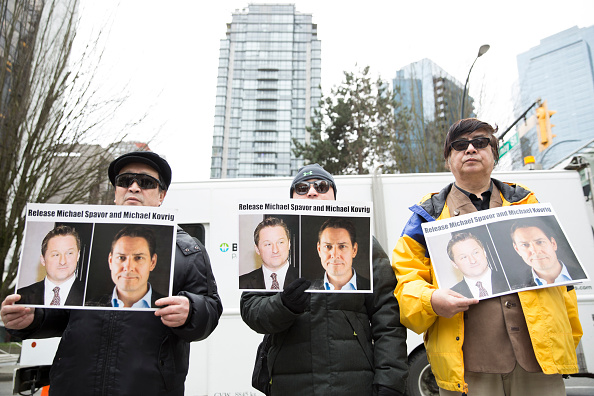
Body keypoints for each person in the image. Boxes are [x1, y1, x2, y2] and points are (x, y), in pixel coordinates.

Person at [1, 151, 223, 396]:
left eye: (146, 182)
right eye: (125, 181)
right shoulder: (85, 248)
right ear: (116, 192)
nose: (134, 187)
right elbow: (65, 314)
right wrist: (33, 318)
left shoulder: (188, 250)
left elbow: (211, 311)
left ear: (162, 196)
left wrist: (191, 309)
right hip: (73, 386)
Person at [392, 118, 582, 396]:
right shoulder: (425, 216)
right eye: (459, 145)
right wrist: (430, 300)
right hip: (468, 371)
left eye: (480, 143)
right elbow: (405, 281)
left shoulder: (528, 203)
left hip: (538, 364)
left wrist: (566, 342)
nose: (470, 149)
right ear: (448, 160)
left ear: (494, 154)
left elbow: (563, 286)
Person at [241, 163, 407, 396]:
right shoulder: (276, 253)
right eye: (301, 188)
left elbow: (388, 319)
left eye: (321, 185)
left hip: (354, 385)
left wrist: (390, 382)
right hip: (289, 384)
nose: (311, 191)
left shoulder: (368, 246)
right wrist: (283, 305)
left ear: (334, 196)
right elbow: (252, 312)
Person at [87, 225, 166, 308]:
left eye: (138, 258)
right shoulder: (89, 306)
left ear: (152, 262)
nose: (128, 268)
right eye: (121, 258)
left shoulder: (170, 309)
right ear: (110, 261)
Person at [17, 225, 84, 306]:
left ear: (78, 256)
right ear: (43, 260)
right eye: (56, 255)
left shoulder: (93, 297)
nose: (62, 261)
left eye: (69, 253)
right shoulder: (20, 297)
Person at [510, 219, 583, 287]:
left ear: (553, 243)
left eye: (540, 242)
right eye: (525, 245)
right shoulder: (515, 287)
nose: (535, 251)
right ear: (517, 249)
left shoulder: (582, 274)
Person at [310, 217, 370, 291]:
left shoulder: (374, 290)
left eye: (342, 246)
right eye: (328, 246)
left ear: (354, 250)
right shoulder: (307, 291)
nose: (335, 255)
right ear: (319, 250)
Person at [239, 217, 298, 290]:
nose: (275, 250)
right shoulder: (241, 283)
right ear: (257, 249)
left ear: (289, 244)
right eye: (268, 244)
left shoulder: (307, 280)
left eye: (280, 242)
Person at [447, 231, 509, 299]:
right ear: (454, 264)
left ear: (484, 252)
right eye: (464, 257)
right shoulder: (451, 296)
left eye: (475, 253)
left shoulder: (511, 280)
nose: (473, 261)